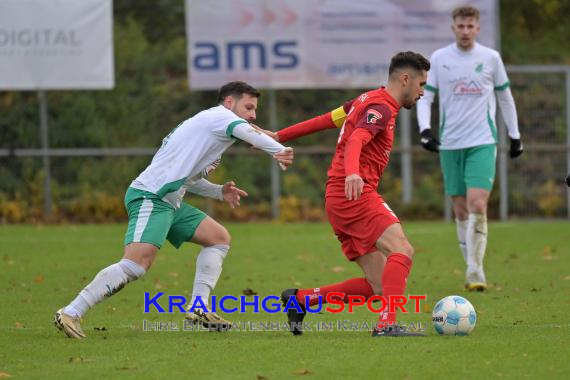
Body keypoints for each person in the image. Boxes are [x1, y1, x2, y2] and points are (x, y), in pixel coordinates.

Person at [54, 81, 294, 339]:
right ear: (228, 103)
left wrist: (218, 191)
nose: (253, 114)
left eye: (255, 109)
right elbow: (245, 129)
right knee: (136, 265)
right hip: (151, 196)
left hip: (169, 201)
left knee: (218, 239)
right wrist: (278, 150)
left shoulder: (212, 133)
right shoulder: (219, 117)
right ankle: (71, 311)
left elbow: (188, 178)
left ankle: (199, 308)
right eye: (248, 107)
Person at [268, 51, 430, 337]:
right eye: (421, 85)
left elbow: (326, 120)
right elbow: (357, 138)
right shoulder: (380, 108)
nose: (422, 92)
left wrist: (280, 136)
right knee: (402, 250)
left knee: (378, 285)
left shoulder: (364, 100)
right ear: (405, 79)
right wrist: (353, 172)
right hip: (353, 193)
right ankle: (387, 324)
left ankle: (301, 299)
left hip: (340, 196)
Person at [416, 6, 523, 291]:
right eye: (460, 26)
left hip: (482, 142)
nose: (465, 31)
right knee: (461, 209)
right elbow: (425, 98)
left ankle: (475, 270)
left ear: (478, 28)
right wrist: (425, 130)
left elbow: (505, 97)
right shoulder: (440, 59)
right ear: (453, 28)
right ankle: (470, 265)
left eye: (470, 26)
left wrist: (514, 135)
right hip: (450, 143)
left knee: (478, 203)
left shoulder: (491, 58)